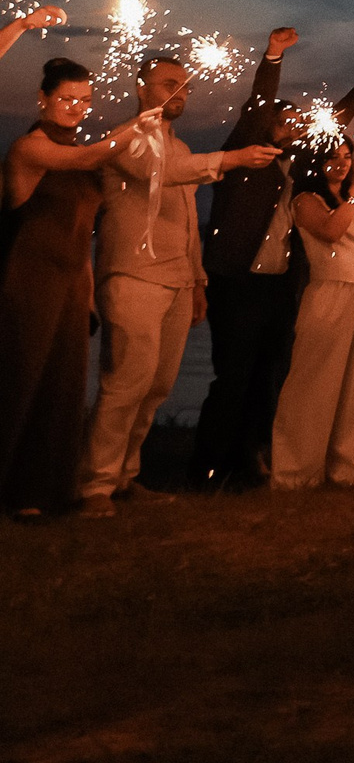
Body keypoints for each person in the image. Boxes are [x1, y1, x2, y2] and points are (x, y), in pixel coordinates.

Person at [80, 54, 281, 517]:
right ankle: (94, 484)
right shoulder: (126, 140)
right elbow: (160, 174)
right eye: (168, 83)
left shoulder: (186, 150)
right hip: (132, 275)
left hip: (175, 281)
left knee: (156, 387)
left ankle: (126, 476)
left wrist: (197, 282)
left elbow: (191, 221)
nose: (179, 92)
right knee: (126, 381)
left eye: (185, 86)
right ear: (141, 87)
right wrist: (232, 159)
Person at [195, 30, 354, 491]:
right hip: (236, 282)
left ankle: (251, 457)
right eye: (286, 121)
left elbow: (329, 122)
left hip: (278, 286)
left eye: (298, 123)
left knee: (268, 376)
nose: (295, 127)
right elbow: (259, 102)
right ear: (266, 126)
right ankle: (209, 468)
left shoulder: (296, 169)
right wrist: (273, 56)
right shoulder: (245, 158)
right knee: (232, 377)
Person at [2, 57, 162, 517]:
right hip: (27, 280)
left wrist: (89, 292)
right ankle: (11, 491)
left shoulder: (87, 155)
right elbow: (86, 156)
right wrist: (134, 125)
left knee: (63, 389)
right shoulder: (28, 149)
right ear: (43, 99)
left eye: (85, 101)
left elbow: (84, 229)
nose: (76, 108)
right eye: (66, 99)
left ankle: (46, 493)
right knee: (20, 382)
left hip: (71, 281)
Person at [270, 144, 354, 490]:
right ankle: (296, 473)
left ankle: (346, 469)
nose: (340, 163)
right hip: (331, 291)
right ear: (315, 163)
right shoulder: (306, 199)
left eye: (345, 157)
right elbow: (330, 231)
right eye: (331, 157)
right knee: (313, 383)